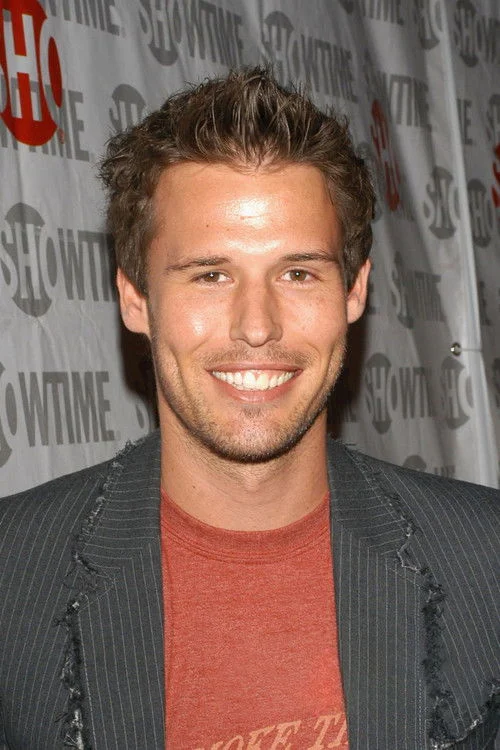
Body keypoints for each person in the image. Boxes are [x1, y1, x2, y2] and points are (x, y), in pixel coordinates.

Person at [0, 68, 498, 750]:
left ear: (354, 292)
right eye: (211, 275)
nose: (257, 326)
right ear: (135, 299)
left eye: (298, 273)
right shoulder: (14, 576)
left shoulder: (485, 560)